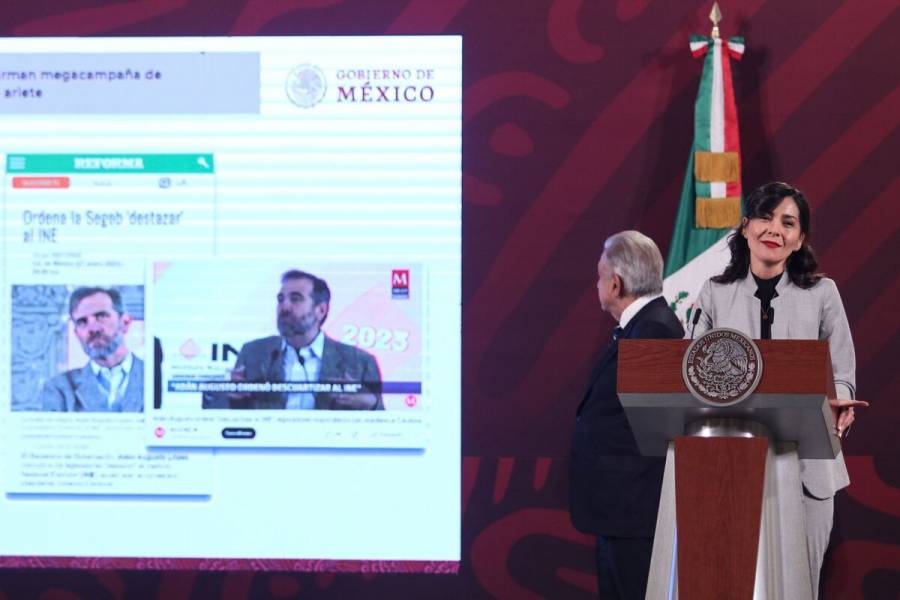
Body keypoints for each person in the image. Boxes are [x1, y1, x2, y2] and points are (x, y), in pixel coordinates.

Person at [691, 181, 867, 597]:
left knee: (799, 588)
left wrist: (839, 400)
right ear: (746, 226)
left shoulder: (822, 293)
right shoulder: (714, 293)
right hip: (732, 464)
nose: (775, 229)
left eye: (788, 223)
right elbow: (691, 371)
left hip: (809, 466)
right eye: (765, 217)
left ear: (799, 238)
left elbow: (843, 371)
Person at [569, 231, 684, 600]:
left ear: (616, 283)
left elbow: (657, 429)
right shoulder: (640, 326)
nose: (597, 283)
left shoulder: (654, 330)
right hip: (621, 510)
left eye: (600, 275)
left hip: (635, 511)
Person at [202, 269, 383, 410]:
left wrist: (371, 403)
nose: (284, 307)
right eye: (281, 299)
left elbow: (382, 428)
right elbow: (222, 415)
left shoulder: (359, 362)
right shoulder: (254, 353)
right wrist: (226, 395)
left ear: (321, 310)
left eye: (295, 299)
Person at [40, 287, 144, 412]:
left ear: (125, 323)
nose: (93, 328)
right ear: (77, 333)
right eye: (82, 322)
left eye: (101, 316)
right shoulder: (59, 388)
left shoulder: (156, 376)